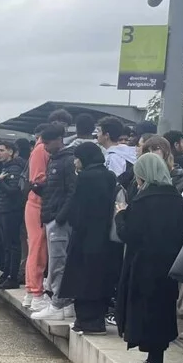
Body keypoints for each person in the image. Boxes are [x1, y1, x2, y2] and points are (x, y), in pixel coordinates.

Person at [112, 153, 183, 363]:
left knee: (145, 315)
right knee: (161, 314)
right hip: (168, 266)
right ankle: (152, 362)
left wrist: (120, 215)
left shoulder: (143, 201)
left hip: (143, 266)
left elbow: (129, 234)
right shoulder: (176, 199)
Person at [55, 141, 119, 337]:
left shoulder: (85, 178)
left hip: (85, 238)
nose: (75, 162)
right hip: (105, 238)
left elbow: (77, 210)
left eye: (77, 158)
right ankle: (96, 320)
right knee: (99, 279)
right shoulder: (109, 176)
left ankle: (85, 321)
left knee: (82, 279)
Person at [34, 123, 78, 322]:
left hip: (58, 220)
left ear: (59, 140)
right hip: (52, 215)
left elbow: (72, 191)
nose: (45, 147)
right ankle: (66, 302)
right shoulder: (55, 160)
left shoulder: (67, 161)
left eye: (47, 143)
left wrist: (60, 217)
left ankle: (58, 303)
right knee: (57, 261)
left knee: (58, 263)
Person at [0, 139, 26, 289]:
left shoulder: (15, 168)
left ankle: (13, 276)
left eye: (2, 150)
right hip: (2, 209)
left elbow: (14, 191)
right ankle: (6, 273)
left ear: (10, 152)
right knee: (6, 244)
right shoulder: (4, 167)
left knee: (13, 244)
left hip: (12, 211)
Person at [24, 125, 51, 309]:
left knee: (35, 248)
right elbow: (39, 179)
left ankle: (31, 290)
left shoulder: (37, 149)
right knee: (38, 249)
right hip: (39, 204)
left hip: (35, 204)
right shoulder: (42, 150)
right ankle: (36, 293)